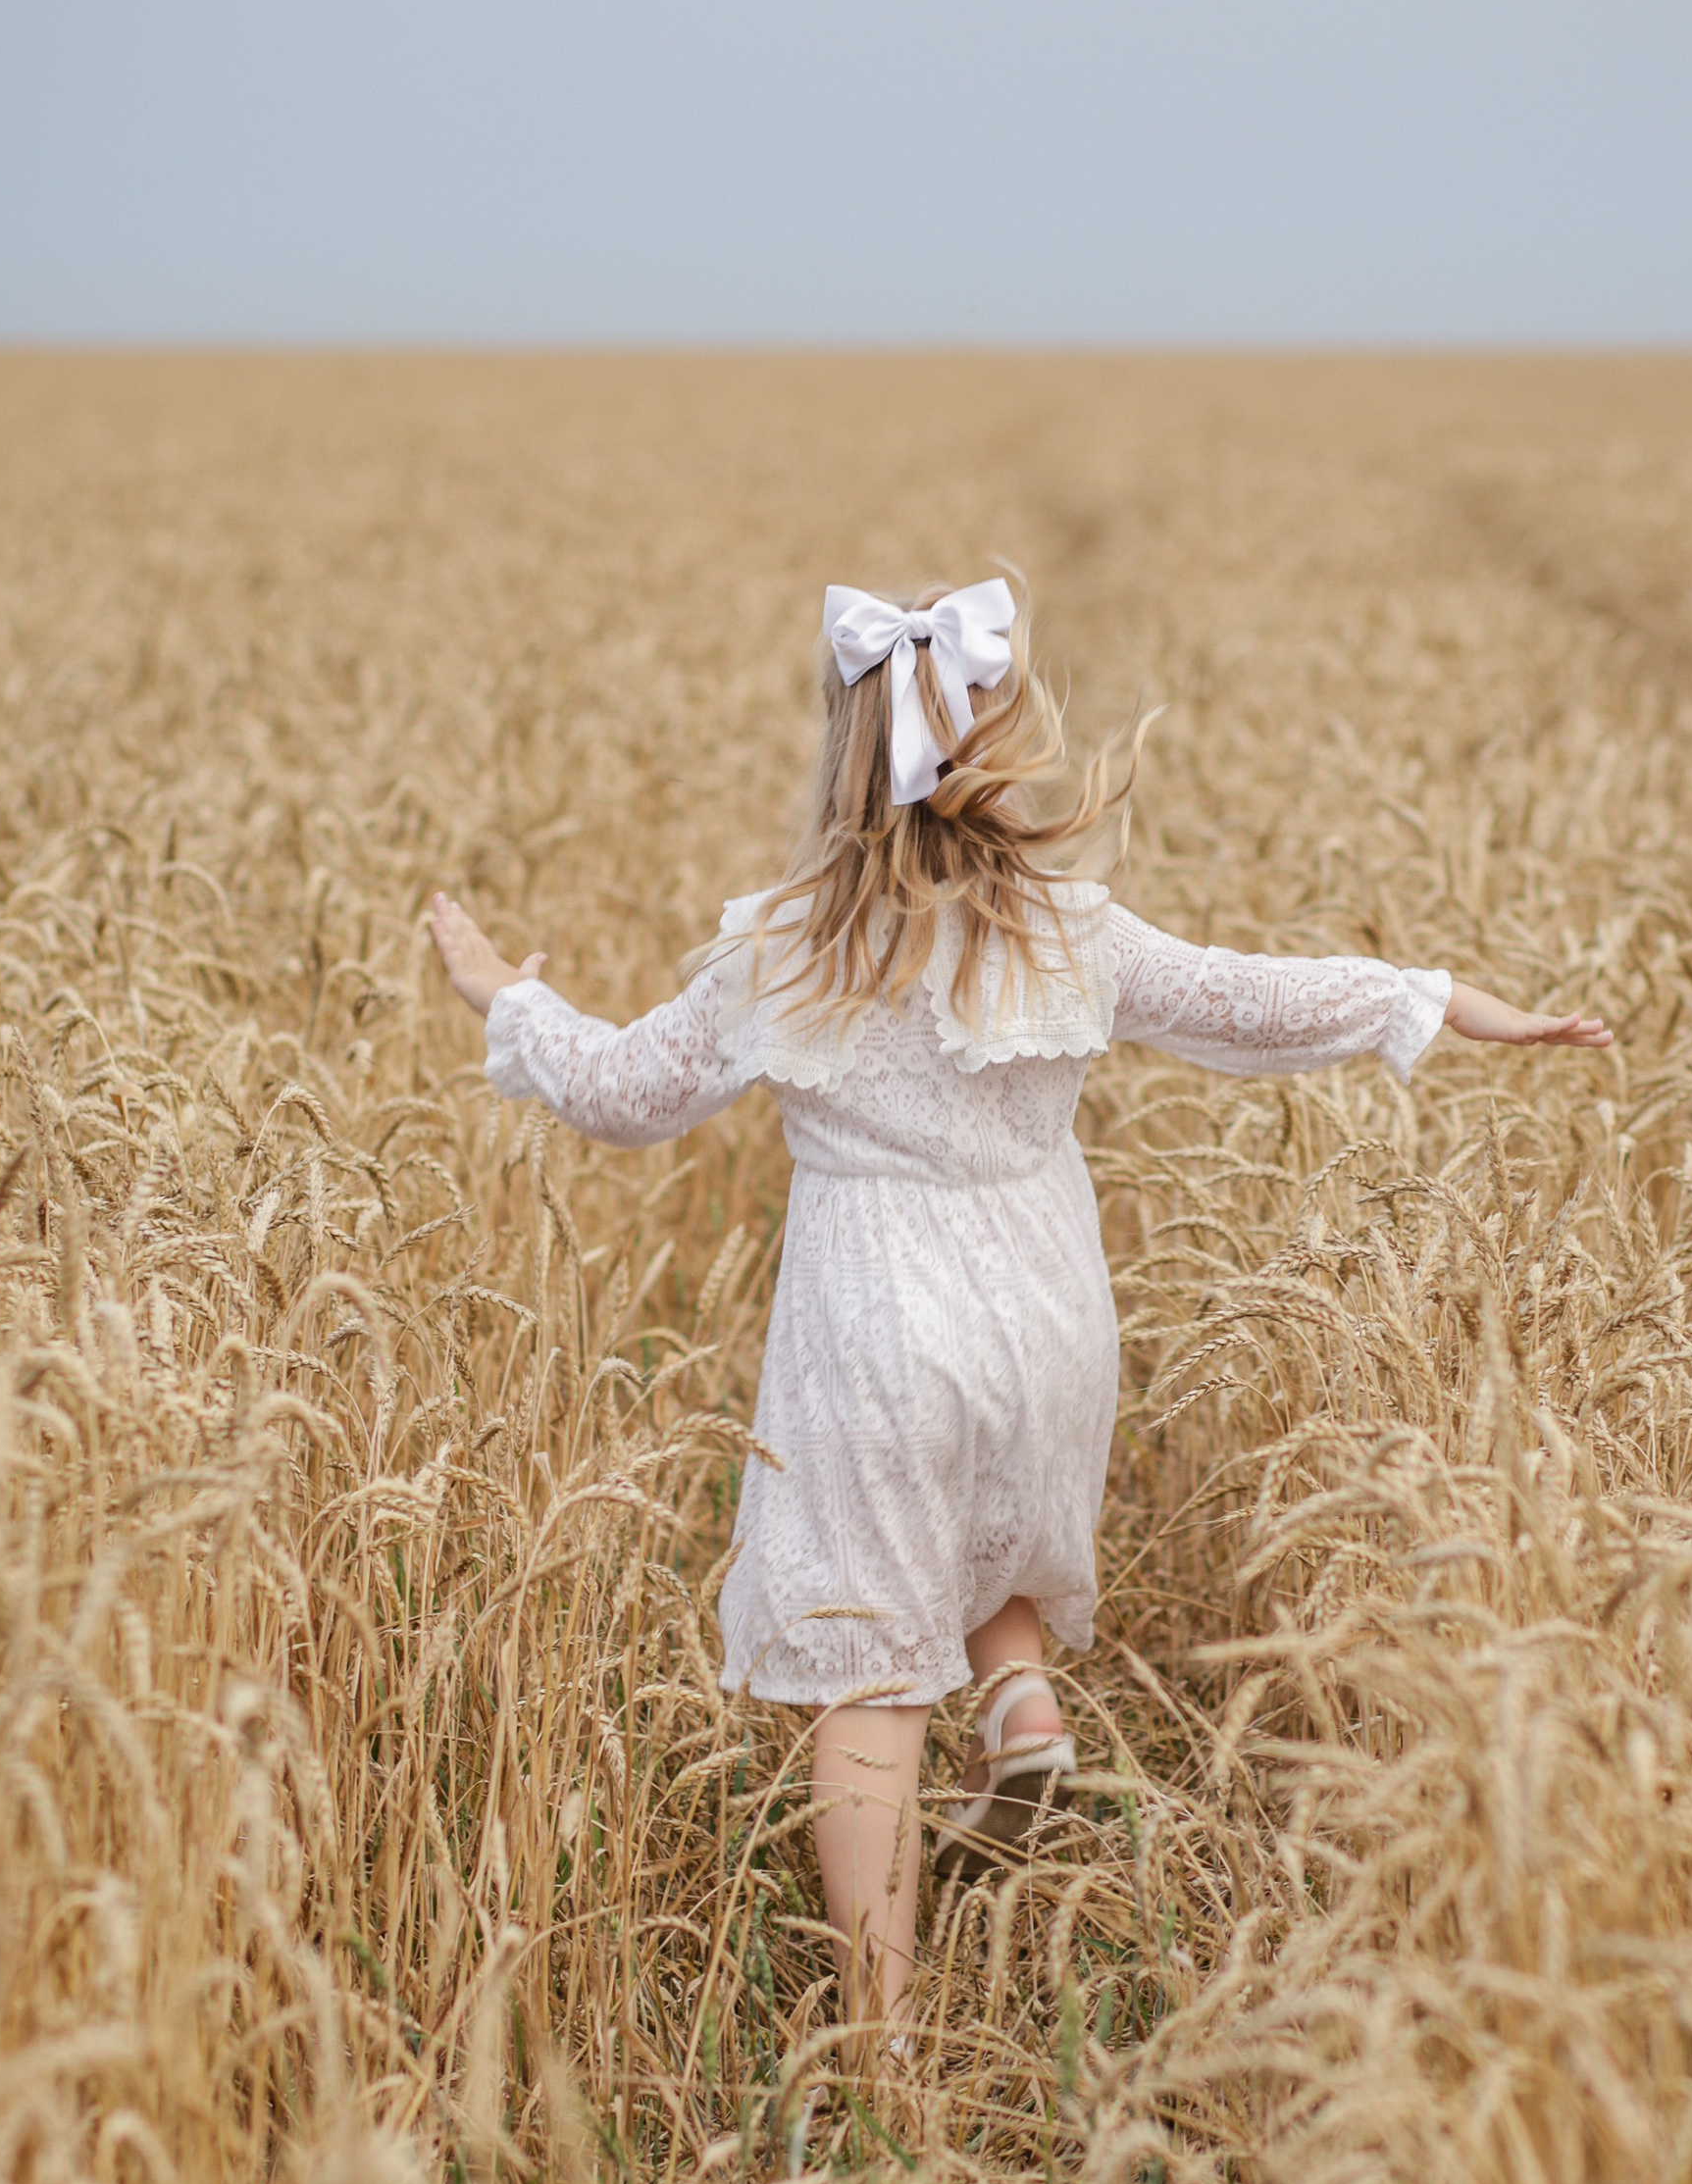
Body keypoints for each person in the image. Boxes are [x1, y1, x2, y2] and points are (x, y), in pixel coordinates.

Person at [428, 580, 1611, 2047]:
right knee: (991, 1519)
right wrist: (1435, 1000)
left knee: (868, 1672)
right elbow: (1252, 999)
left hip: (874, 1324)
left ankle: (886, 2032)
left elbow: (621, 1100)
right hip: (1047, 1310)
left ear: (843, 750)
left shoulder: (786, 946)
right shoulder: (1070, 933)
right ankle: (1022, 1707)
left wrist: (503, 997)